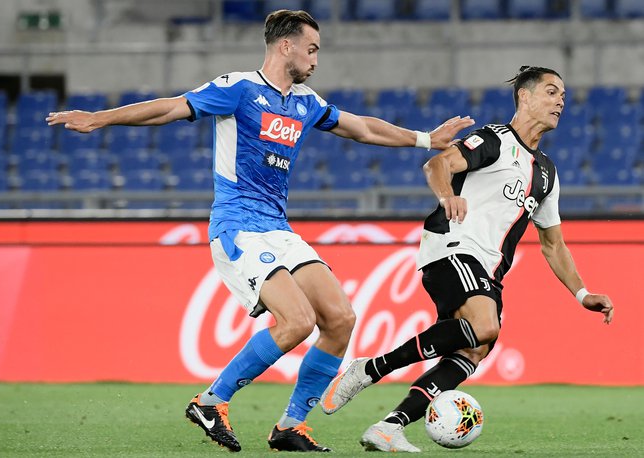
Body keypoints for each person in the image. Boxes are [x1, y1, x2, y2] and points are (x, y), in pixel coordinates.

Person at [46, 9, 474, 453]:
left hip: (278, 228)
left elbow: (362, 128)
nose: (315, 58)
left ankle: (290, 426)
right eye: (311, 48)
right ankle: (211, 401)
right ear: (285, 45)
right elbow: (172, 108)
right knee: (297, 321)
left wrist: (426, 139)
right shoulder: (237, 89)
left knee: (341, 319)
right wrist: (100, 118)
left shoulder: (306, 102)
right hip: (237, 225)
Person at [320, 66, 615, 453]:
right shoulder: (495, 139)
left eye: (562, 94)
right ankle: (371, 369)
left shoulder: (547, 173)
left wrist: (582, 294)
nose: (561, 100)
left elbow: (553, 245)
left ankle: (389, 426)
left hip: (488, 270)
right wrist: (447, 195)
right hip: (453, 246)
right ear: (524, 97)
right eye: (550, 91)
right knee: (484, 326)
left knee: (473, 349)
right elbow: (437, 164)